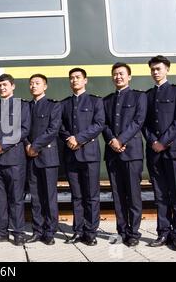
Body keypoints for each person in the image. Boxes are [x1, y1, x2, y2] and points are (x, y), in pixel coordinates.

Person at [142, 55, 176, 251]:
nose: (155, 72)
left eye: (158, 68)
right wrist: (153, 141)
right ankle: (163, 233)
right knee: (160, 194)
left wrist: (163, 141)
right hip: (155, 151)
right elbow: (144, 123)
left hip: (173, 150)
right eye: (152, 69)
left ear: (167, 69)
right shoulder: (147, 95)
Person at [102, 63, 147, 246]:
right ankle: (121, 231)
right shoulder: (107, 100)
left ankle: (134, 233)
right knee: (118, 194)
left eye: (121, 74)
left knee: (133, 194)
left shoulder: (139, 96)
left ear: (129, 77)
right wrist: (112, 140)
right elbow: (103, 123)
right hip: (113, 153)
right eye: (115, 74)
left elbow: (138, 121)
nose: (118, 77)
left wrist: (121, 140)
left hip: (132, 152)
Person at [60, 68, 105, 246]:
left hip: (90, 155)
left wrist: (79, 138)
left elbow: (99, 123)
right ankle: (78, 231)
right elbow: (60, 126)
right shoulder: (64, 104)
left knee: (91, 196)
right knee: (76, 196)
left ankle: (91, 232)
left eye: (78, 78)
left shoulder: (95, 101)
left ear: (85, 80)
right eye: (71, 78)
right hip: (71, 155)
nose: (74, 81)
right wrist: (68, 138)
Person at [0, 74, 30, 246]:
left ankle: (18, 233)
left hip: (14, 159)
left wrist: (2, 144)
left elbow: (24, 129)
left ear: (13, 86)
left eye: (5, 85)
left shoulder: (22, 105)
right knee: (0, 198)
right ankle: (1, 232)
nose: (2, 88)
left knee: (16, 198)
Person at [25, 74, 62, 245]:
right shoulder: (26, 107)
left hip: (47, 157)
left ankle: (50, 231)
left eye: (37, 83)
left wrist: (34, 146)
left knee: (49, 196)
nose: (34, 86)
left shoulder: (53, 106)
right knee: (36, 197)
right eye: (31, 83)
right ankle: (37, 230)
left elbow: (53, 130)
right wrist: (27, 144)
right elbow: (22, 129)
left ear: (45, 86)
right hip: (30, 157)